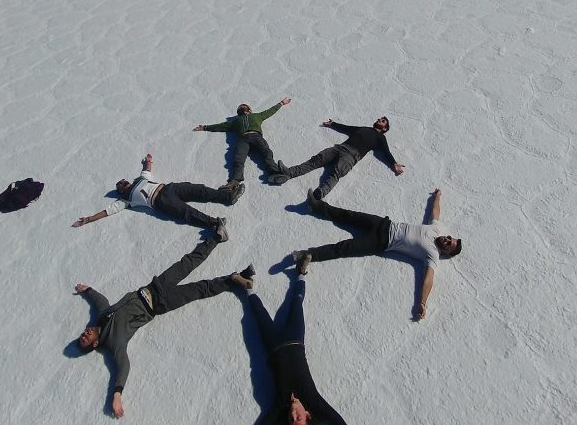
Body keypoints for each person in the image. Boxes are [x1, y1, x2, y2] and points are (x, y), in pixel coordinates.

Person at [75, 237, 255, 419]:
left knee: (187, 262)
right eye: (86, 339)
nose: (85, 333)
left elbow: (100, 301)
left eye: (82, 334)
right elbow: (123, 366)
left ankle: (216, 237)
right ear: (96, 343)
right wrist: (117, 395)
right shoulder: (114, 343)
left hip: (155, 286)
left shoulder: (102, 315)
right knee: (201, 289)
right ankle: (234, 279)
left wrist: (87, 290)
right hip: (161, 303)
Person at [225, 275, 375, 425]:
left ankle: (248, 288)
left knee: (258, 313)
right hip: (296, 337)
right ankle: (302, 273)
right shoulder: (313, 401)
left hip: (273, 344)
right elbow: (335, 419)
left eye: (291, 419)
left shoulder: (279, 405)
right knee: (296, 302)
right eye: (299, 418)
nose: (293, 414)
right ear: (308, 415)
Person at [294, 188, 461, 320]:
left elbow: (428, 280)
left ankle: (308, 255)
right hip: (382, 223)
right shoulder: (437, 229)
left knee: (344, 248)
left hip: (380, 243)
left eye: (448, 244)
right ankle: (315, 206)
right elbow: (435, 213)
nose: (446, 239)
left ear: (446, 252)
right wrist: (437, 197)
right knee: (347, 215)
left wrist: (423, 302)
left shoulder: (432, 255)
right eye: (449, 238)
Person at [72, 153, 243, 242]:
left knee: (199, 190)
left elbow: (147, 169)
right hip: (161, 201)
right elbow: (107, 211)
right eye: (120, 184)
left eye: (123, 180)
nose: (123, 182)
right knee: (187, 213)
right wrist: (88, 219)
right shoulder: (126, 200)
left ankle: (226, 196)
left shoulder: (140, 179)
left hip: (170, 188)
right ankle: (214, 223)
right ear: (121, 190)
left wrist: (148, 160)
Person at [269, 116, 404, 197]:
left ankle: (322, 192)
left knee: (336, 173)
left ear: (385, 128)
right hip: (339, 148)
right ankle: (289, 172)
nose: (379, 120)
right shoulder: (364, 128)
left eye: (382, 121)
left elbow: (386, 152)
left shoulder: (380, 138)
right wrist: (333, 124)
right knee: (314, 161)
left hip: (351, 156)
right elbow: (347, 128)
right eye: (380, 119)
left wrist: (394, 163)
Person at [193, 98, 292, 186]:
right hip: (243, 140)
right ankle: (235, 180)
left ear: (249, 110)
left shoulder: (257, 116)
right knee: (239, 158)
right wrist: (205, 127)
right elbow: (220, 126)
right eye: (241, 107)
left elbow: (269, 111)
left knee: (266, 153)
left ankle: (274, 173)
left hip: (256, 136)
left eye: (244, 106)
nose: (243, 107)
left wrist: (281, 103)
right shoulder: (235, 122)